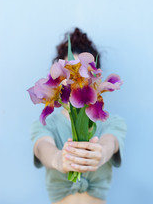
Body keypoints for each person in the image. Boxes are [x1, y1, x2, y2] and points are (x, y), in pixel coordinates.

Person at [30, 28, 127, 204]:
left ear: (94, 73)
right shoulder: (48, 124)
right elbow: (42, 146)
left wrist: (101, 153)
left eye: (81, 72)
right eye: (68, 73)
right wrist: (58, 159)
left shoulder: (111, 122)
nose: (74, 79)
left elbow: (110, 142)